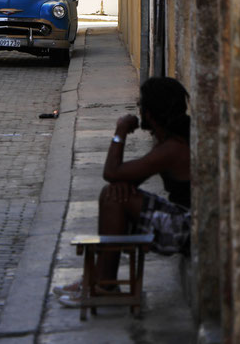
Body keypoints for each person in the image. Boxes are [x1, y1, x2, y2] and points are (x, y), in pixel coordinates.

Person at [54, 76, 191, 305]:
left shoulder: (172, 148)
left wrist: (120, 131)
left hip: (187, 226)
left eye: (142, 104)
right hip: (183, 216)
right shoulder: (170, 140)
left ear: (151, 112)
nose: (139, 108)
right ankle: (101, 280)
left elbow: (111, 171)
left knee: (112, 195)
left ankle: (102, 282)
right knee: (114, 193)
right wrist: (122, 184)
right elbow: (126, 177)